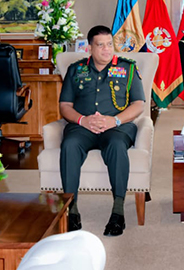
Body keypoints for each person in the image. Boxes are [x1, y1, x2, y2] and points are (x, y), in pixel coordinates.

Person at [59, 25, 145, 237]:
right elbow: (65, 106)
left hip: (117, 127)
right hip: (83, 127)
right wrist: (83, 120)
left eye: (109, 44)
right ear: (90, 48)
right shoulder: (75, 69)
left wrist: (114, 120)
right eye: (101, 45)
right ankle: (72, 209)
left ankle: (118, 211)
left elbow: (139, 104)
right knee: (69, 145)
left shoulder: (128, 68)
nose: (107, 49)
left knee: (116, 146)